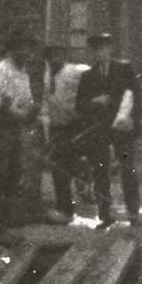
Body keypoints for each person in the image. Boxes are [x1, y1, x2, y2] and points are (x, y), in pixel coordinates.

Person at [0, 30, 39, 243]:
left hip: (12, 130)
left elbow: (26, 102)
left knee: (13, 176)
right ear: (12, 50)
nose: (26, 53)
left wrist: (30, 110)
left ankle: (4, 227)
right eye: (21, 48)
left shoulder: (23, 73)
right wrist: (10, 108)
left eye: (29, 49)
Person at [77, 33, 142, 226]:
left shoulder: (124, 68)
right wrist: (94, 101)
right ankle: (105, 214)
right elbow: (79, 105)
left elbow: (138, 96)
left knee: (128, 170)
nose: (101, 53)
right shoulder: (88, 75)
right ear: (92, 52)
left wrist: (133, 119)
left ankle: (133, 214)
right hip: (100, 130)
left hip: (123, 128)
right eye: (96, 49)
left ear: (110, 49)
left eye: (104, 48)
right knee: (100, 171)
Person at [45, 40, 93, 223]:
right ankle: (65, 206)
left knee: (68, 163)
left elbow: (95, 78)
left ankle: (68, 205)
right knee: (59, 166)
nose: (55, 59)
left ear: (64, 56)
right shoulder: (47, 75)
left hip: (75, 124)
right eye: (51, 56)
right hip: (57, 125)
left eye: (58, 55)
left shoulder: (74, 71)